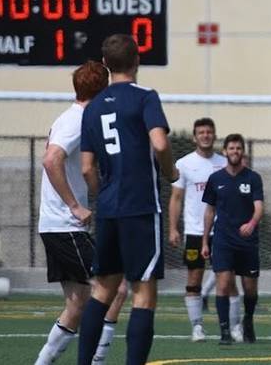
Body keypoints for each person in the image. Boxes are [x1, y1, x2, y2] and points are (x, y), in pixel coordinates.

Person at [77, 34, 178, 365]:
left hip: (108, 208)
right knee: (143, 294)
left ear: (106, 64)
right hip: (140, 206)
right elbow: (160, 144)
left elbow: (87, 168)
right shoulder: (145, 97)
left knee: (102, 290)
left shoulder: (92, 108)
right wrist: (171, 173)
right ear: (137, 60)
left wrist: (103, 197)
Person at [34, 61, 109, 365]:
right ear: (101, 91)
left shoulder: (74, 117)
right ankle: (97, 359)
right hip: (65, 226)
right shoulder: (77, 120)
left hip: (56, 225)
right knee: (112, 288)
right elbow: (51, 160)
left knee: (77, 303)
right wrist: (74, 205)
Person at [168, 117, 227, 342]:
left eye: (209, 132)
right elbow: (176, 198)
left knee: (227, 278)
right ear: (195, 137)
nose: (205, 136)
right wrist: (173, 228)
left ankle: (231, 327)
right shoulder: (184, 164)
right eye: (201, 132)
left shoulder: (224, 163)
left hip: (222, 231)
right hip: (194, 231)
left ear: (214, 135)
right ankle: (197, 327)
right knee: (194, 278)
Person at [201, 134, 263, 346]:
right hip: (223, 240)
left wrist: (251, 223)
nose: (235, 151)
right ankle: (225, 331)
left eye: (238, 148)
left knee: (250, 288)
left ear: (242, 152)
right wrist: (205, 241)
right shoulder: (215, 179)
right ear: (225, 151)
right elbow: (209, 211)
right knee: (224, 283)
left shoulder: (253, 178)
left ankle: (248, 320)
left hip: (247, 242)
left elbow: (259, 207)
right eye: (231, 148)